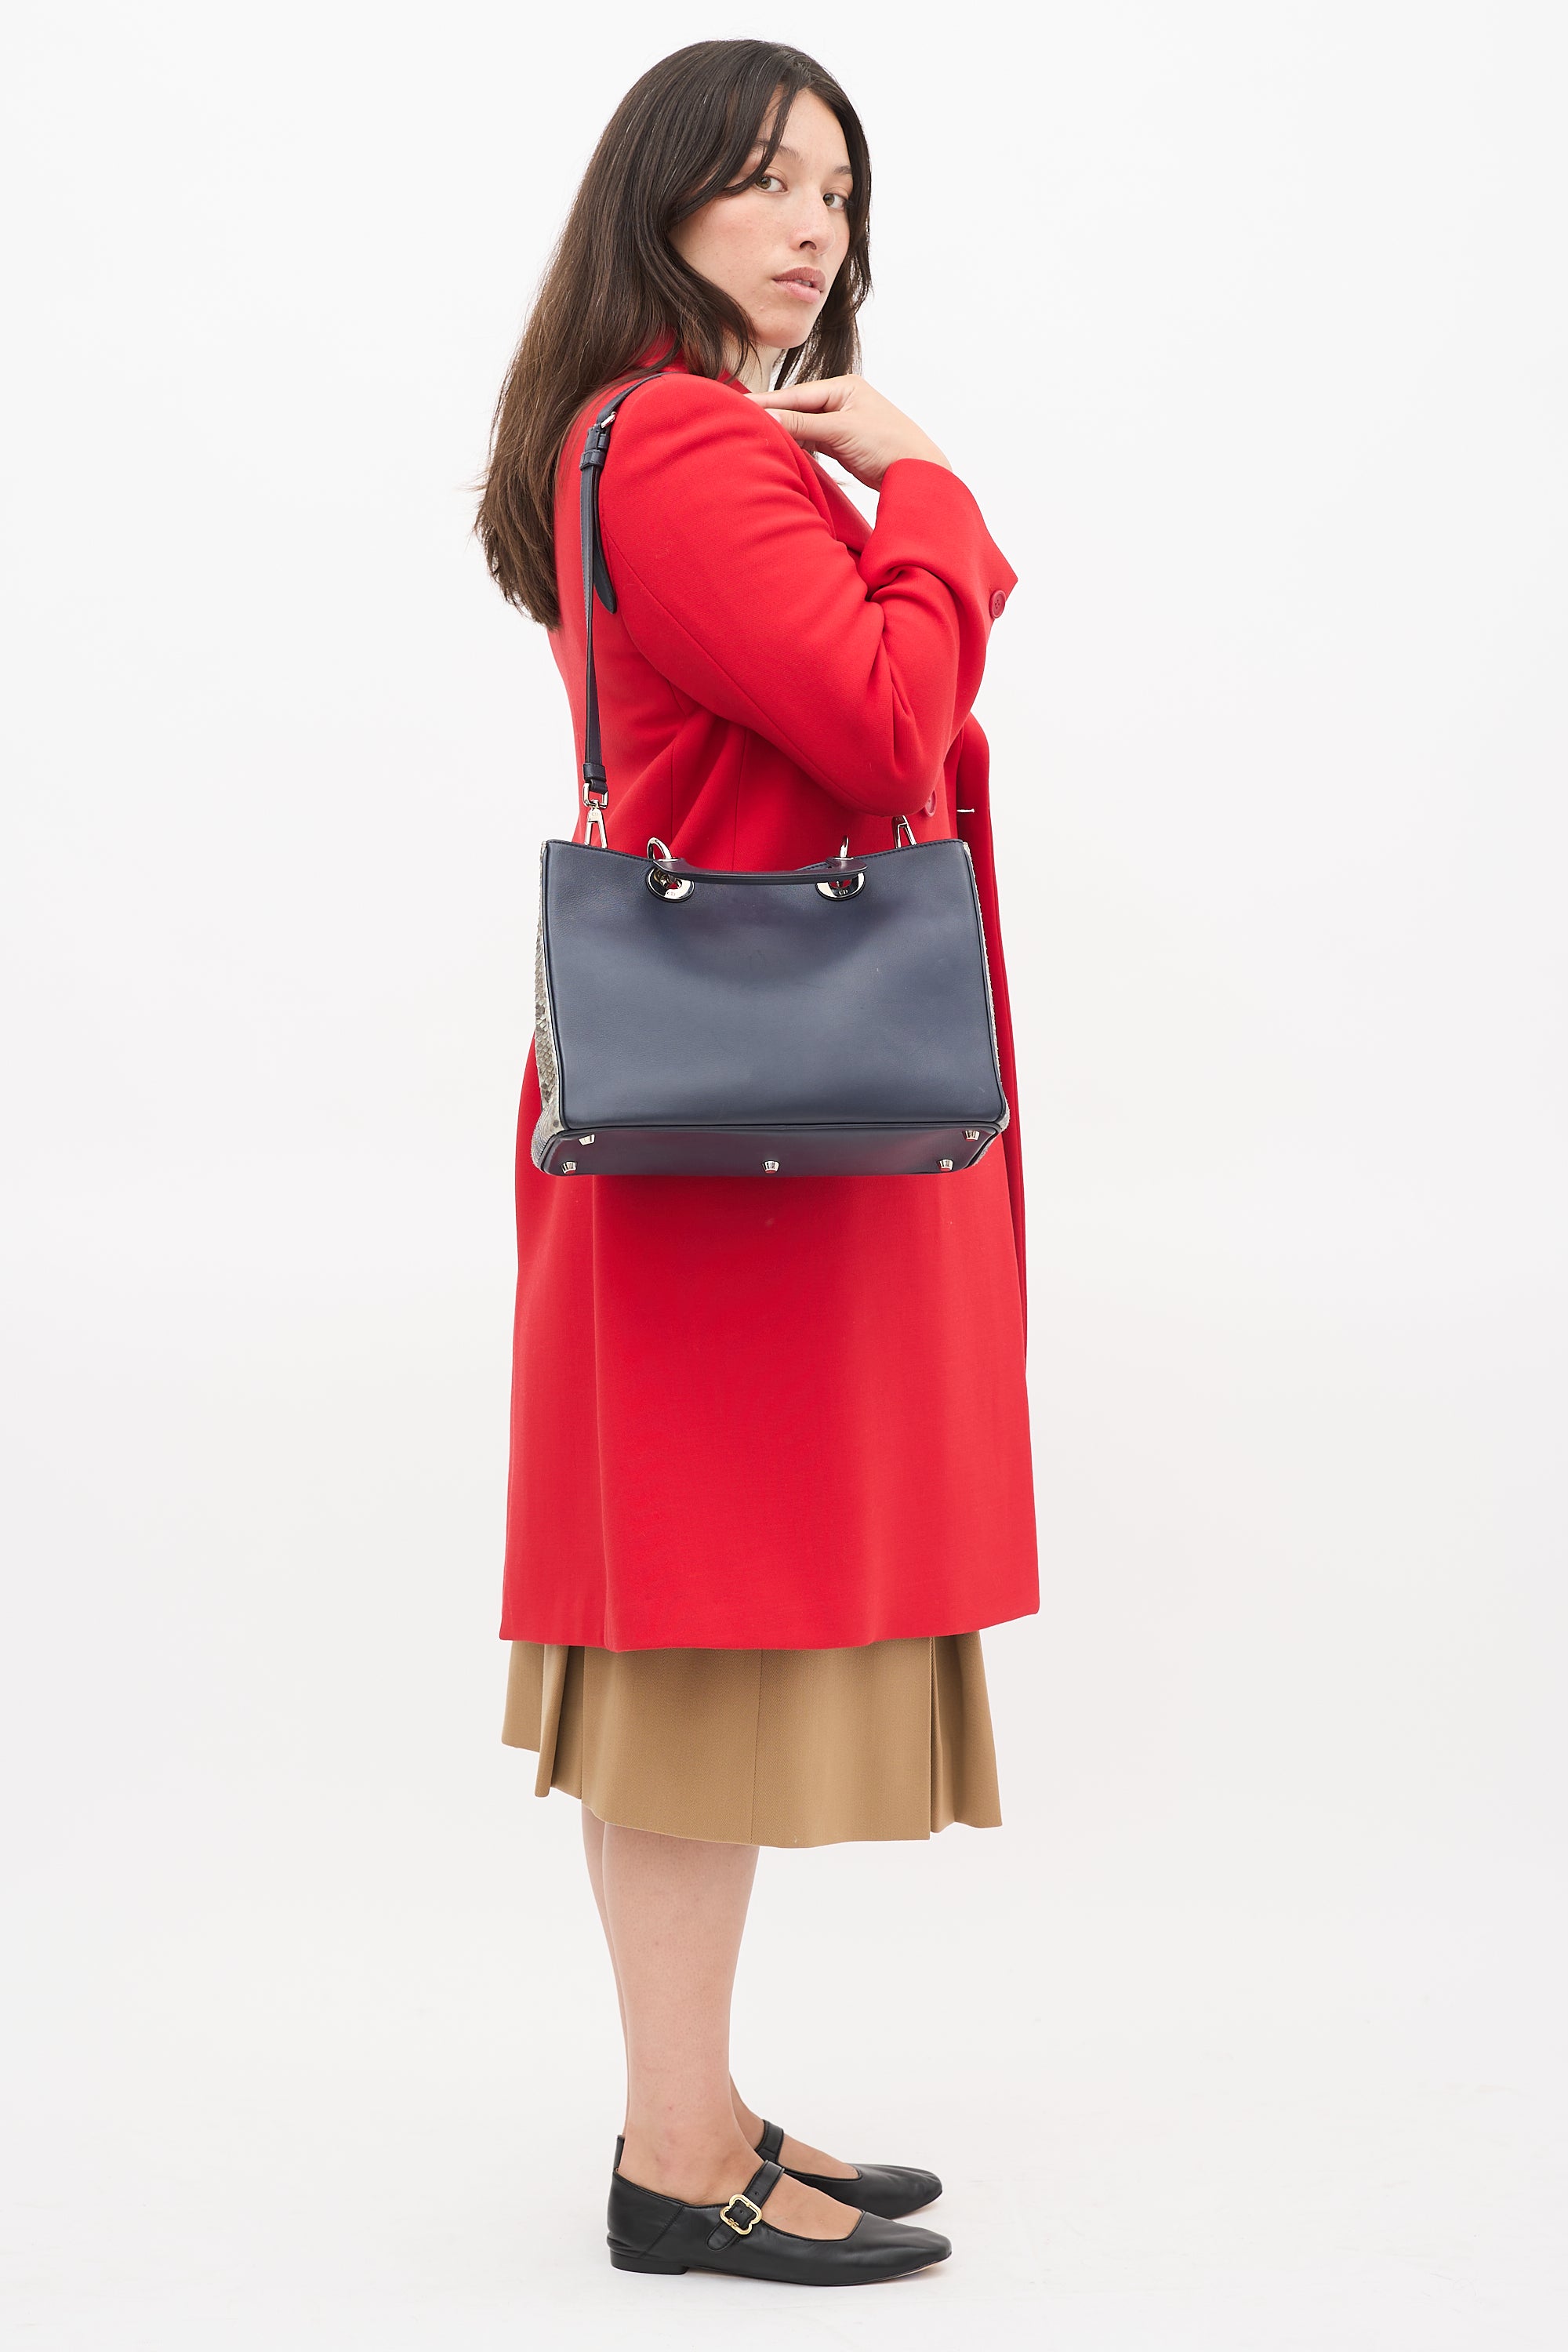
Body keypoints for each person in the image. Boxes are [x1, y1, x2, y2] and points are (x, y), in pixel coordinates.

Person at [475, 38, 1037, 2287]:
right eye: (767, 182)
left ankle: (690, 2116)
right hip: (741, 1176)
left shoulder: (632, 434)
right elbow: (886, 725)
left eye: (838, 189)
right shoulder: (696, 440)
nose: (814, 227)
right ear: (664, 201)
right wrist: (935, 494)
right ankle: (677, 2158)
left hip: (721, 1144)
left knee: (686, 1639)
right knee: (696, 1649)